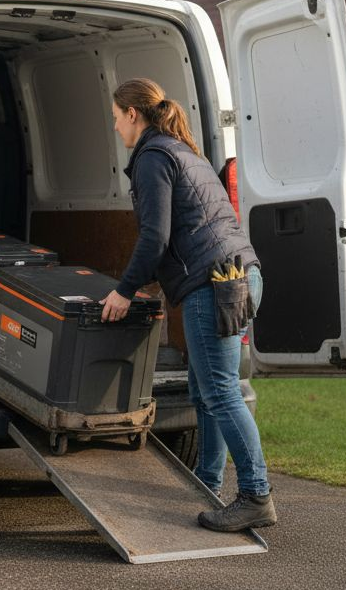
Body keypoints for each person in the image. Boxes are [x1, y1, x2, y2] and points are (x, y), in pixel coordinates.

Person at [99, 78, 275, 532]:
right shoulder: (181, 150)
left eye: (117, 118)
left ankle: (256, 495)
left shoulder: (153, 157)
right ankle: (209, 482)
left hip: (213, 283)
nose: (117, 128)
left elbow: (155, 235)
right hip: (238, 275)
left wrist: (124, 289)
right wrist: (153, 284)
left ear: (132, 115)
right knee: (207, 392)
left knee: (220, 392)